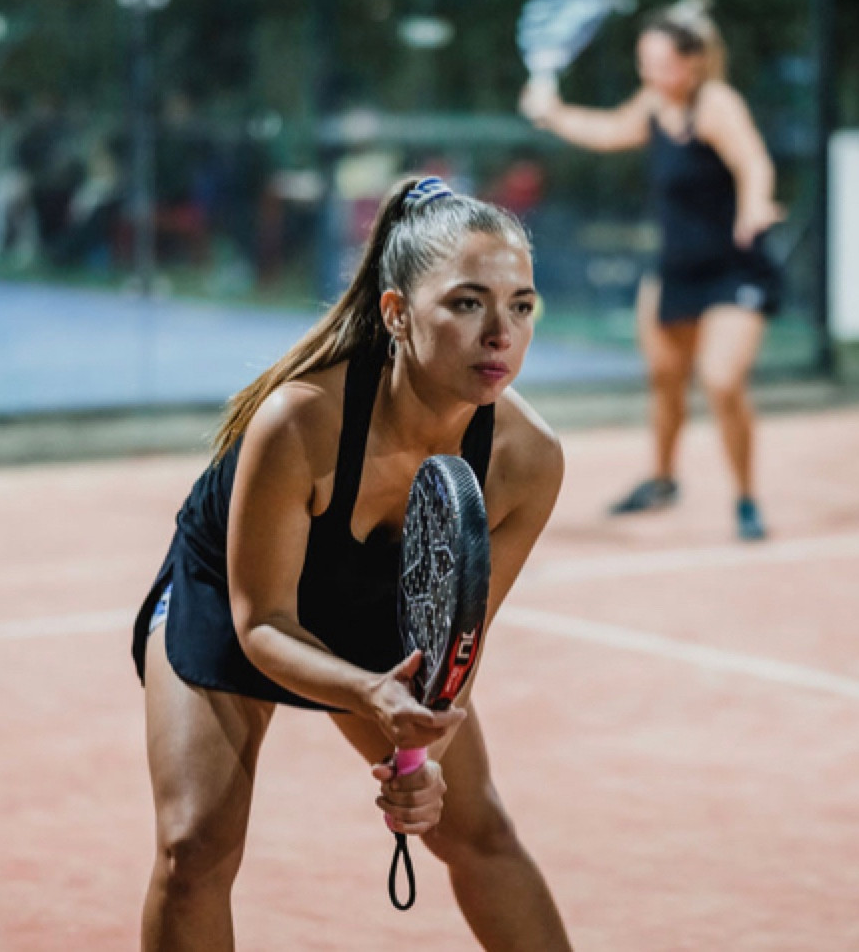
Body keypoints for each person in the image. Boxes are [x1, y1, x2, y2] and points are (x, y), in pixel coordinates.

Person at [131, 175, 573, 951]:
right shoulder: (299, 420)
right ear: (397, 313)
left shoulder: (527, 461)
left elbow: (458, 638)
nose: (500, 333)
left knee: (479, 830)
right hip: (236, 597)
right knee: (194, 847)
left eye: (521, 306)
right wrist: (369, 692)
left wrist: (420, 757)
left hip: (378, 614)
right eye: (467, 303)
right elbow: (262, 624)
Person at [520, 0, 782, 540]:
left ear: (692, 63)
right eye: (646, 63)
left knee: (721, 381)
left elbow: (752, 160)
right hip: (675, 271)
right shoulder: (654, 106)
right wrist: (553, 112)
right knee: (664, 381)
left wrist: (756, 204)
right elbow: (609, 130)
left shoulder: (715, 104)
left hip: (733, 269)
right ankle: (662, 480)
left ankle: (746, 499)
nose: (651, 73)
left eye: (661, 64)